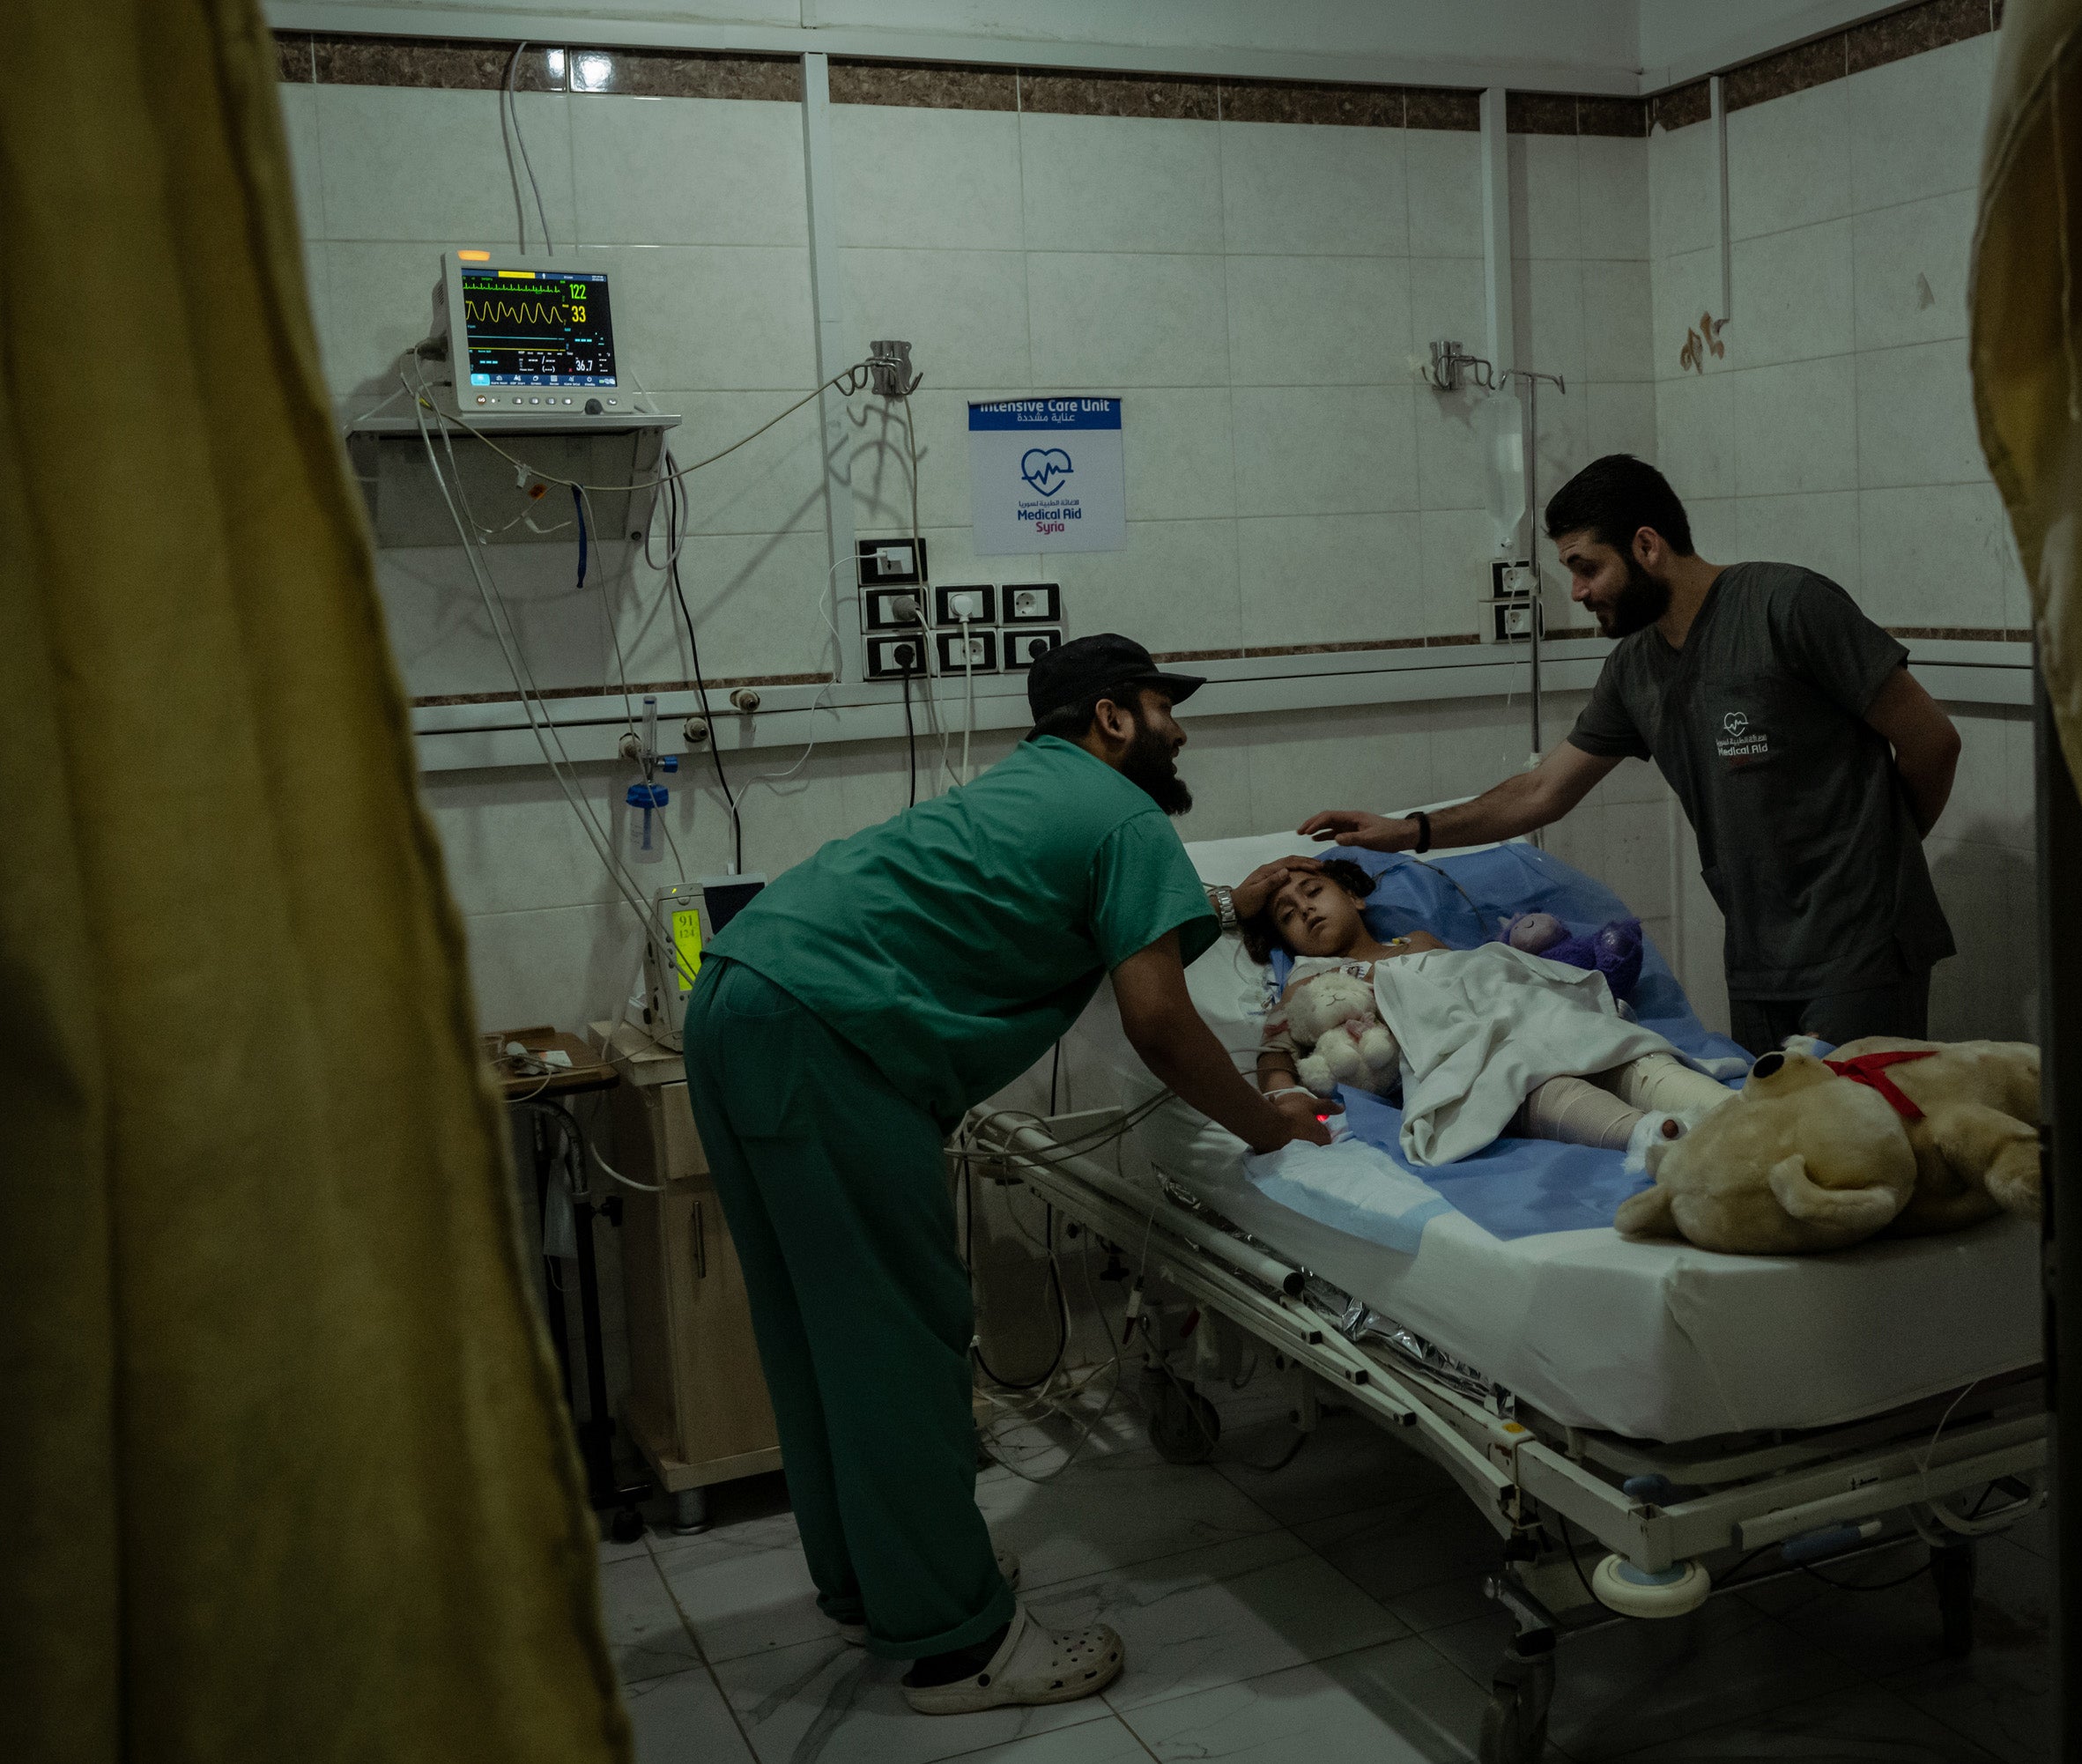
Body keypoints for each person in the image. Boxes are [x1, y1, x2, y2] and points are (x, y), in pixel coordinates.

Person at [679, 634, 1328, 1716]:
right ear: (1115, 718)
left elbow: (1085, 920)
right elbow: (1159, 1020)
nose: (1181, 728)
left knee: (817, 1329)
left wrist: (1228, 906)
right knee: (900, 1336)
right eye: (1166, 707)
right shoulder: (1127, 815)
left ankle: (878, 1587)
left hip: (741, 991)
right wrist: (1267, 1127)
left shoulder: (1037, 789)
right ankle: (957, 1646)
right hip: (831, 1039)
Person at [1300, 454, 1961, 1054]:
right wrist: (1411, 830)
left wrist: (1881, 861)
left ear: (1647, 546)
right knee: (1780, 1151)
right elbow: (1541, 792)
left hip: (1862, 950)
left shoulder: (1785, 606)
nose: (1579, 591)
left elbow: (1933, 741)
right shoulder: (1635, 670)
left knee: (1860, 1151)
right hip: (1760, 958)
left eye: (1587, 567)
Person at [1241, 857, 1739, 1165]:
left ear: (1354, 897)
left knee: (1611, 1049)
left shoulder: (1415, 941)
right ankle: (1650, 1135)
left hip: (1512, 1011)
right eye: (1288, 914)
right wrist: (1285, 1100)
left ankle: (1732, 1111)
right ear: (1284, 940)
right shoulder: (1309, 980)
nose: (1304, 909)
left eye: (1313, 892)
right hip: (1461, 1051)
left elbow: (1479, 976)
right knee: (1521, 1080)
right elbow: (1275, 1055)